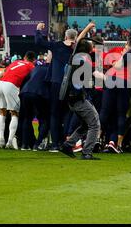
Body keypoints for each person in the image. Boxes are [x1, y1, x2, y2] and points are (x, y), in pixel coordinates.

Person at [35, 21, 95, 152]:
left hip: (56, 83)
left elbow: (39, 42)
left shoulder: (57, 46)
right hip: (70, 84)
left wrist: (38, 30)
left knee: (55, 114)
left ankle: (55, 144)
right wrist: (88, 27)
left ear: (65, 37)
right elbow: (80, 39)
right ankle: (65, 141)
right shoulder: (75, 48)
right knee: (68, 112)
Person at [59, 26, 101, 160]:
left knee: (85, 124)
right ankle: (87, 152)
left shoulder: (74, 57)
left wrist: (87, 29)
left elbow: (78, 42)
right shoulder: (84, 61)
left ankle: (68, 145)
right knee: (94, 124)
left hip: (71, 98)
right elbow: (87, 83)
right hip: (78, 98)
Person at [0, 51, 36, 149]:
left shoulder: (16, 62)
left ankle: (1, 140)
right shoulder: (31, 66)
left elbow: (2, 73)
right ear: (33, 60)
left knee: (2, 113)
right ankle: (9, 141)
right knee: (15, 113)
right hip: (11, 84)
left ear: (24, 57)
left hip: (0, 84)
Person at [19, 53, 51, 150]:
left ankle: (25, 144)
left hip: (25, 92)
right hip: (39, 93)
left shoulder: (37, 68)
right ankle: (38, 144)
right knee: (45, 119)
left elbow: (26, 79)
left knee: (27, 118)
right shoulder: (52, 70)